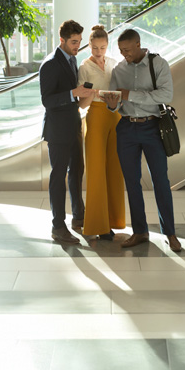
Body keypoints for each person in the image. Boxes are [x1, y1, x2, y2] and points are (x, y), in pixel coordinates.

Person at [103, 28, 182, 252]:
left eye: (127, 50)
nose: (124, 54)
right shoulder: (119, 69)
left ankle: (170, 233)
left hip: (153, 127)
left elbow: (166, 95)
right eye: (120, 51)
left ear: (138, 44)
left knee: (161, 181)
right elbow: (116, 102)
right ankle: (140, 232)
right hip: (127, 128)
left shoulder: (158, 64)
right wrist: (112, 104)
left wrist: (130, 94)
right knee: (132, 182)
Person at [39, 19, 94, 244]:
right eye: (73, 42)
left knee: (77, 172)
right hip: (58, 131)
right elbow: (47, 100)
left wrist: (81, 97)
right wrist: (73, 93)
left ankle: (78, 217)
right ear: (61, 40)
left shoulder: (73, 60)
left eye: (79, 42)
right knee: (58, 177)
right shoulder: (50, 64)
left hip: (73, 127)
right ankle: (57, 226)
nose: (77, 46)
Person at [77, 25, 125, 240]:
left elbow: (122, 92)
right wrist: (93, 92)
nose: (98, 52)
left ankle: (114, 220)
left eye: (103, 47)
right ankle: (99, 225)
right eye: (95, 47)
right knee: (96, 171)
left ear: (108, 46)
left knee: (115, 169)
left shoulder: (114, 64)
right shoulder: (84, 67)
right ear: (89, 46)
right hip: (95, 116)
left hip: (115, 115)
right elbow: (82, 103)